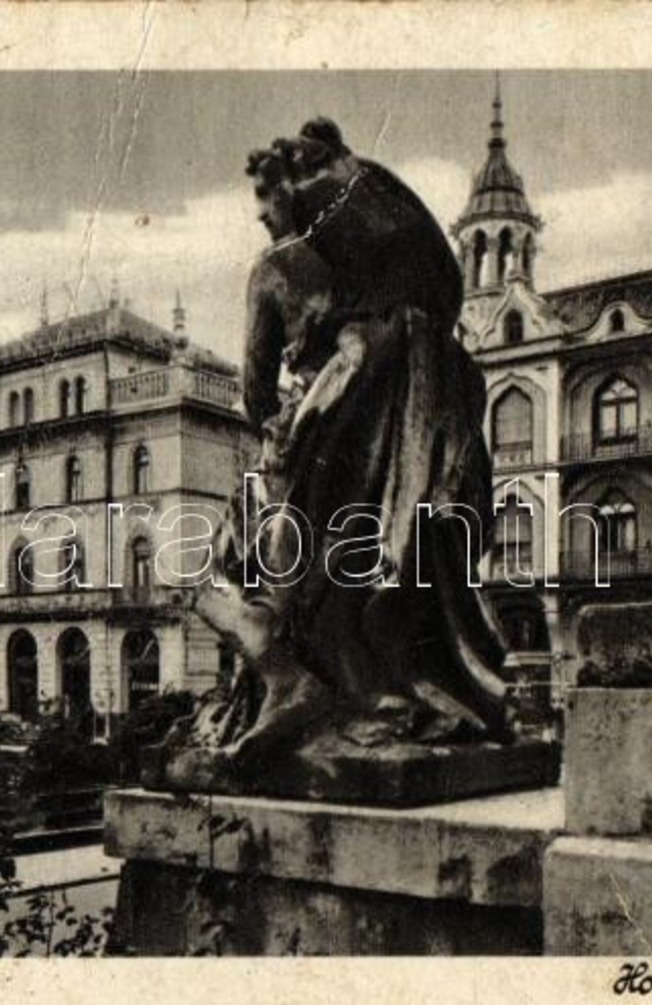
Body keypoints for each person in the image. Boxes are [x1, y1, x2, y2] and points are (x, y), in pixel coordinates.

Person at [186, 121, 510, 769]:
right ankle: (342, 687)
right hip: (391, 448)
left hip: (313, 436)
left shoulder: (275, 270)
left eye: (263, 198)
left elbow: (256, 391)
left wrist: (277, 435)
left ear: (290, 190)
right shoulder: (371, 272)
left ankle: (289, 685)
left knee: (221, 574)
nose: (258, 214)